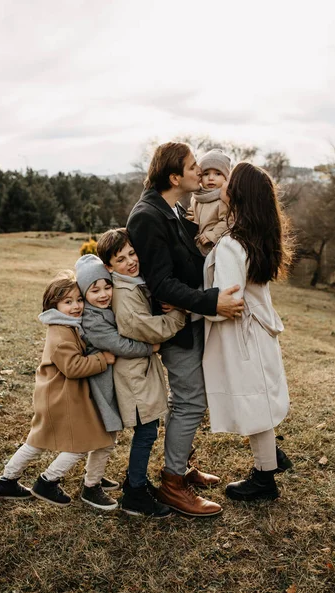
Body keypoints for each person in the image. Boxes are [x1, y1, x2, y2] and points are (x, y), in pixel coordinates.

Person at [127, 142, 244, 517]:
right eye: (194, 167)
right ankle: (173, 485)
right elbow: (160, 282)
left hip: (188, 316)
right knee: (191, 400)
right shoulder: (148, 215)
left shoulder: (173, 210)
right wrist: (212, 301)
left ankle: (182, 465)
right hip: (175, 326)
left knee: (190, 399)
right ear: (175, 177)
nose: (200, 172)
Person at [203, 162, 294, 501]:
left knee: (254, 403)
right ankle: (269, 459)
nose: (221, 184)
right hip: (260, 330)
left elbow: (229, 300)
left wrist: (195, 306)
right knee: (260, 400)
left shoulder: (232, 244)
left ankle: (264, 478)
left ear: (238, 192)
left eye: (228, 181)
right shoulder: (262, 235)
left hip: (244, 334)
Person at [0, 271, 115, 507]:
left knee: (36, 442)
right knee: (80, 444)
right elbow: (72, 367)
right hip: (62, 398)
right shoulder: (61, 332)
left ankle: (6, 480)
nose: (77, 306)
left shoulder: (67, 325)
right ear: (54, 305)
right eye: (68, 302)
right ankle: (48, 481)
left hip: (58, 395)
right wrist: (102, 359)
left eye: (79, 300)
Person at [97, 228, 188, 517]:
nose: (130, 262)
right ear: (110, 267)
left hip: (140, 372)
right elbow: (148, 329)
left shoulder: (133, 283)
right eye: (121, 259)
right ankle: (134, 493)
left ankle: (135, 480)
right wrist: (180, 313)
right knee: (146, 431)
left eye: (132, 254)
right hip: (133, 375)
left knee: (147, 429)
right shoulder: (123, 294)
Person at [75, 253, 167, 515]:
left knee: (118, 435)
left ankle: (120, 479)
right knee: (116, 435)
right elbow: (120, 345)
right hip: (102, 387)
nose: (104, 294)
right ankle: (60, 481)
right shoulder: (92, 319)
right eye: (95, 290)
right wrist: (150, 347)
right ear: (84, 293)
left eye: (107, 287)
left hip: (115, 383)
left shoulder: (107, 307)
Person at [187, 148, 231, 256]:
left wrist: (213, 234)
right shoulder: (197, 196)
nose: (211, 178)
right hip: (197, 246)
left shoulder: (223, 198)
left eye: (217, 174)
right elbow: (193, 213)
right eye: (206, 174)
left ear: (226, 177)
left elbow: (229, 220)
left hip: (214, 247)